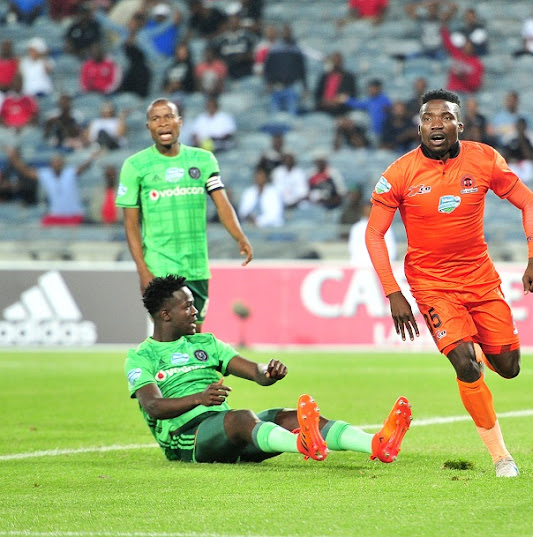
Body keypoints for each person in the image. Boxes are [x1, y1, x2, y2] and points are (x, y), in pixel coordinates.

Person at [365, 89, 533, 478]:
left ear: (459, 125)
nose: (436, 123)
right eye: (428, 117)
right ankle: (502, 457)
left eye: (445, 117)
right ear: (419, 125)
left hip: (480, 279)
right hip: (431, 285)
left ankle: (481, 353)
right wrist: (393, 292)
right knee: (464, 365)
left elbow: (529, 203)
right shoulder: (399, 173)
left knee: (509, 367)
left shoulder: (484, 159)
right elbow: (374, 235)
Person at [126, 274, 412, 464]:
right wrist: (198, 399)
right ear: (165, 314)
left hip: (224, 428)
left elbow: (254, 372)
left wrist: (268, 372)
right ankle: (302, 444)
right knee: (241, 419)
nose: (195, 311)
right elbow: (153, 405)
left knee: (285, 415)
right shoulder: (142, 356)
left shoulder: (206, 343)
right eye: (187, 307)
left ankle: (375, 443)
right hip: (188, 440)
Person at [116, 98, 253, 329]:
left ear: (180, 122)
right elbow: (130, 224)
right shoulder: (135, 166)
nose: (162, 123)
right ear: (148, 126)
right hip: (159, 267)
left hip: (196, 266)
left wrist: (240, 236)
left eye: (168, 117)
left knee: (196, 338)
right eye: (155, 118)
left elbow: (222, 204)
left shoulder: (203, 160)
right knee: (167, 337)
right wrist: (142, 269)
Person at [4, 146, 100, 225]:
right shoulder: (46, 174)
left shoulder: (70, 173)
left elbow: (83, 168)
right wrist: (14, 158)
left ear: (63, 163)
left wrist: (91, 158)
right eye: (54, 162)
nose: (57, 164)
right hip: (56, 216)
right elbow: (26, 171)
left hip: (74, 215)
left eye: (59, 162)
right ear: (50, 164)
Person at [349, 202, 396, 267]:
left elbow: (390, 247)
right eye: (366, 209)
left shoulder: (385, 225)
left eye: (369, 208)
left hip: (381, 265)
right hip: (360, 264)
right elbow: (353, 247)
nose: (367, 210)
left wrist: (386, 263)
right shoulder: (357, 227)